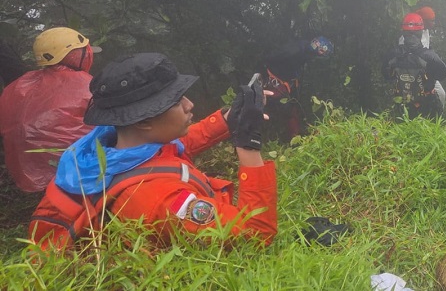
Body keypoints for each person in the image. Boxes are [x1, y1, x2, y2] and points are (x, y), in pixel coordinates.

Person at [28, 52, 277, 249]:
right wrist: (248, 145)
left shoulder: (115, 144)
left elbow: (176, 147)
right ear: (143, 121)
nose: (190, 105)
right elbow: (255, 235)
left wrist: (229, 118)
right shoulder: (156, 198)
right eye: (176, 102)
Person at [0, 27, 99, 192]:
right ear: (75, 55)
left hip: (29, 176)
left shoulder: (18, 86)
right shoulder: (87, 85)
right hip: (81, 175)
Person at [264, 35, 332, 138]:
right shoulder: (295, 50)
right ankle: (282, 137)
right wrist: (273, 76)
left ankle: (294, 135)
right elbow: (271, 58)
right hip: (275, 80)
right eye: (321, 53)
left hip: (287, 81)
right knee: (283, 109)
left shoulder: (304, 50)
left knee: (292, 107)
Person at [383, 13, 446, 120]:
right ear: (420, 32)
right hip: (426, 105)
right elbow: (442, 74)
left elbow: (386, 74)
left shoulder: (393, 54)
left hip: (402, 104)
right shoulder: (429, 56)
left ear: (403, 33)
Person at [399, 6, 446, 107]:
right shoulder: (405, 38)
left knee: (441, 94)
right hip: (412, 73)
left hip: (427, 72)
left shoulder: (426, 31)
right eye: (432, 21)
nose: (434, 23)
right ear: (423, 21)